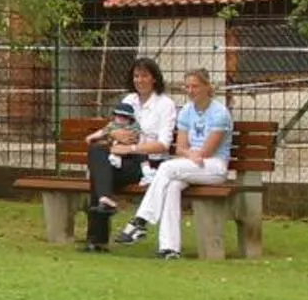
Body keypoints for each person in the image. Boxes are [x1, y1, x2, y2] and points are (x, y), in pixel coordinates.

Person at [117, 68, 232, 260]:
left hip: (214, 166)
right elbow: (179, 148)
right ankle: (169, 248)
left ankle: (142, 219)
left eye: (195, 86)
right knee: (171, 186)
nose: (190, 90)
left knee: (166, 167)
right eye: (187, 86)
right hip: (190, 164)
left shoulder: (220, 113)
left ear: (207, 87)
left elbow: (208, 152)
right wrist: (189, 153)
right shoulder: (187, 111)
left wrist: (192, 154)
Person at [79, 57, 176, 252]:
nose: (139, 80)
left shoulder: (165, 105)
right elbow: (114, 126)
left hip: (147, 165)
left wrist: (130, 149)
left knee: (100, 174)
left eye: (144, 76)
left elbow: (164, 145)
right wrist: (114, 134)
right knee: (97, 152)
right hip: (123, 160)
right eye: (136, 76)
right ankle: (106, 200)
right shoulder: (128, 100)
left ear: (154, 78)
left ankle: (96, 240)